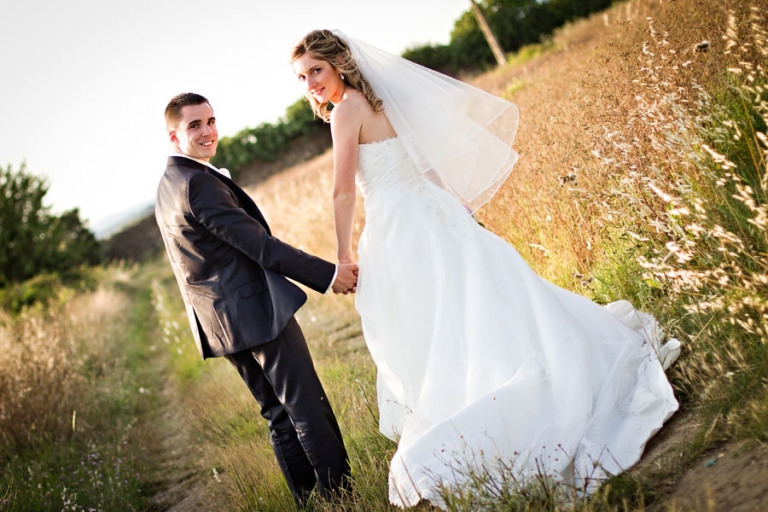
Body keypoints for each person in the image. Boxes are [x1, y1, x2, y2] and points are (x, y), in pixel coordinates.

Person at [290, 30, 682, 508]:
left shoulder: (345, 110)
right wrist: (457, 210)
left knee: (435, 320)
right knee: (475, 302)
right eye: (302, 77)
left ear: (339, 64)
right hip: (430, 212)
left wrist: (343, 255)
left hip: (400, 227)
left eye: (316, 70)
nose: (311, 83)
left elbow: (343, 192)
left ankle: (468, 394)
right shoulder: (378, 99)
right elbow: (421, 161)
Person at [154, 92, 355, 506]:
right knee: (306, 407)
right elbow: (261, 247)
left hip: (221, 321)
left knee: (278, 415)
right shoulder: (197, 184)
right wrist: (328, 274)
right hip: (256, 314)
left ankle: (310, 502)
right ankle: (343, 498)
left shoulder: (167, 185)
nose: (208, 131)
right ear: (174, 137)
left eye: (210, 121)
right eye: (195, 125)